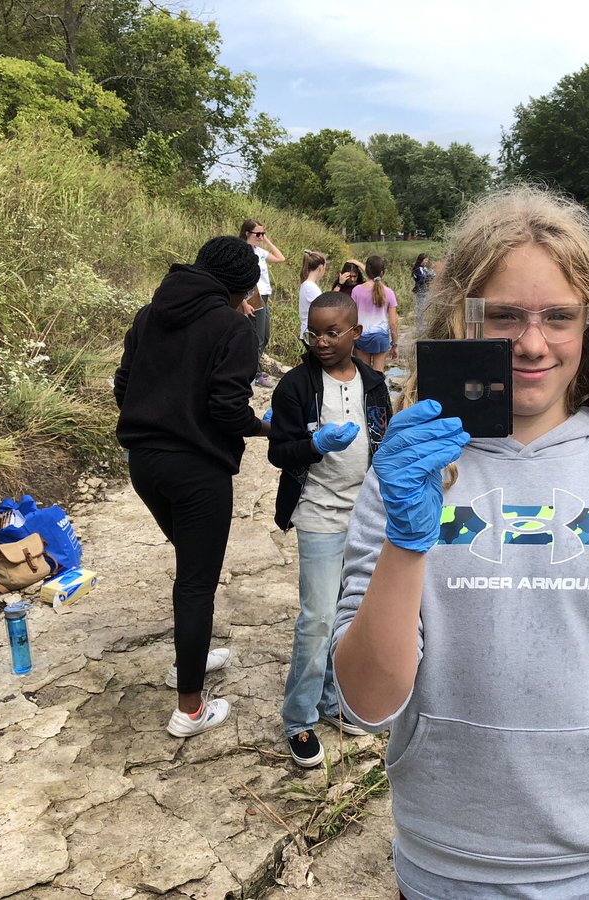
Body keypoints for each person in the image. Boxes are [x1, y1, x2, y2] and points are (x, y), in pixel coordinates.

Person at [333, 187, 589, 899]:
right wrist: (408, 541)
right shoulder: (410, 475)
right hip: (444, 869)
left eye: (559, 317)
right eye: (505, 316)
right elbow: (365, 702)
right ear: (461, 322)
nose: (533, 343)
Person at [114, 236, 270, 738]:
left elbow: (123, 384)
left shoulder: (148, 315)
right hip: (198, 472)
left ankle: (192, 659)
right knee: (196, 584)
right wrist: (265, 426)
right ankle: (190, 708)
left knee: (191, 567)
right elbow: (228, 410)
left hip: (144, 465)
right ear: (240, 288)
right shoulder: (232, 327)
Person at [268, 291, 393, 767]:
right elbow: (279, 451)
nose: (320, 341)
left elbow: (384, 441)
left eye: (331, 332)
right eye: (313, 332)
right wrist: (314, 443)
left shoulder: (375, 385)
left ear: (355, 334)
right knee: (316, 620)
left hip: (364, 516)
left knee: (348, 617)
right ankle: (298, 719)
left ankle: (329, 701)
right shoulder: (296, 387)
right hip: (319, 512)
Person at [239, 220, 286, 388]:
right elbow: (237, 279)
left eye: (262, 233)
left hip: (264, 296)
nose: (260, 237)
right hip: (253, 297)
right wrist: (244, 302)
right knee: (257, 337)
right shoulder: (242, 252)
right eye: (257, 234)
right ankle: (254, 374)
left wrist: (266, 240)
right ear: (246, 233)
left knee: (265, 336)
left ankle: (253, 371)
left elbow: (280, 258)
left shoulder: (259, 251)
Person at [350, 255, 399, 372]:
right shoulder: (389, 293)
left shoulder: (356, 291)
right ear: (382, 272)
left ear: (366, 271)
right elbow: (393, 323)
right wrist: (395, 345)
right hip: (381, 337)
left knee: (364, 372)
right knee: (378, 373)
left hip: (361, 335)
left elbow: (351, 317)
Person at [298, 250, 327, 335]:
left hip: (308, 331)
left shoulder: (306, 284)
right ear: (321, 268)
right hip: (311, 333)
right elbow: (322, 311)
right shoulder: (311, 287)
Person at [410, 253, 435, 325]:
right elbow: (423, 278)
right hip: (421, 291)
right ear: (421, 260)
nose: (427, 261)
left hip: (426, 290)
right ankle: (420, 327)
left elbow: (429, 275)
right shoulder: (418, 269)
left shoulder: (424, 268)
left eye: (427, 260)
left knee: (428, 308)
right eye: (425, 260)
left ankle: (426, 325)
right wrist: (432, 274)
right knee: (420, 309)